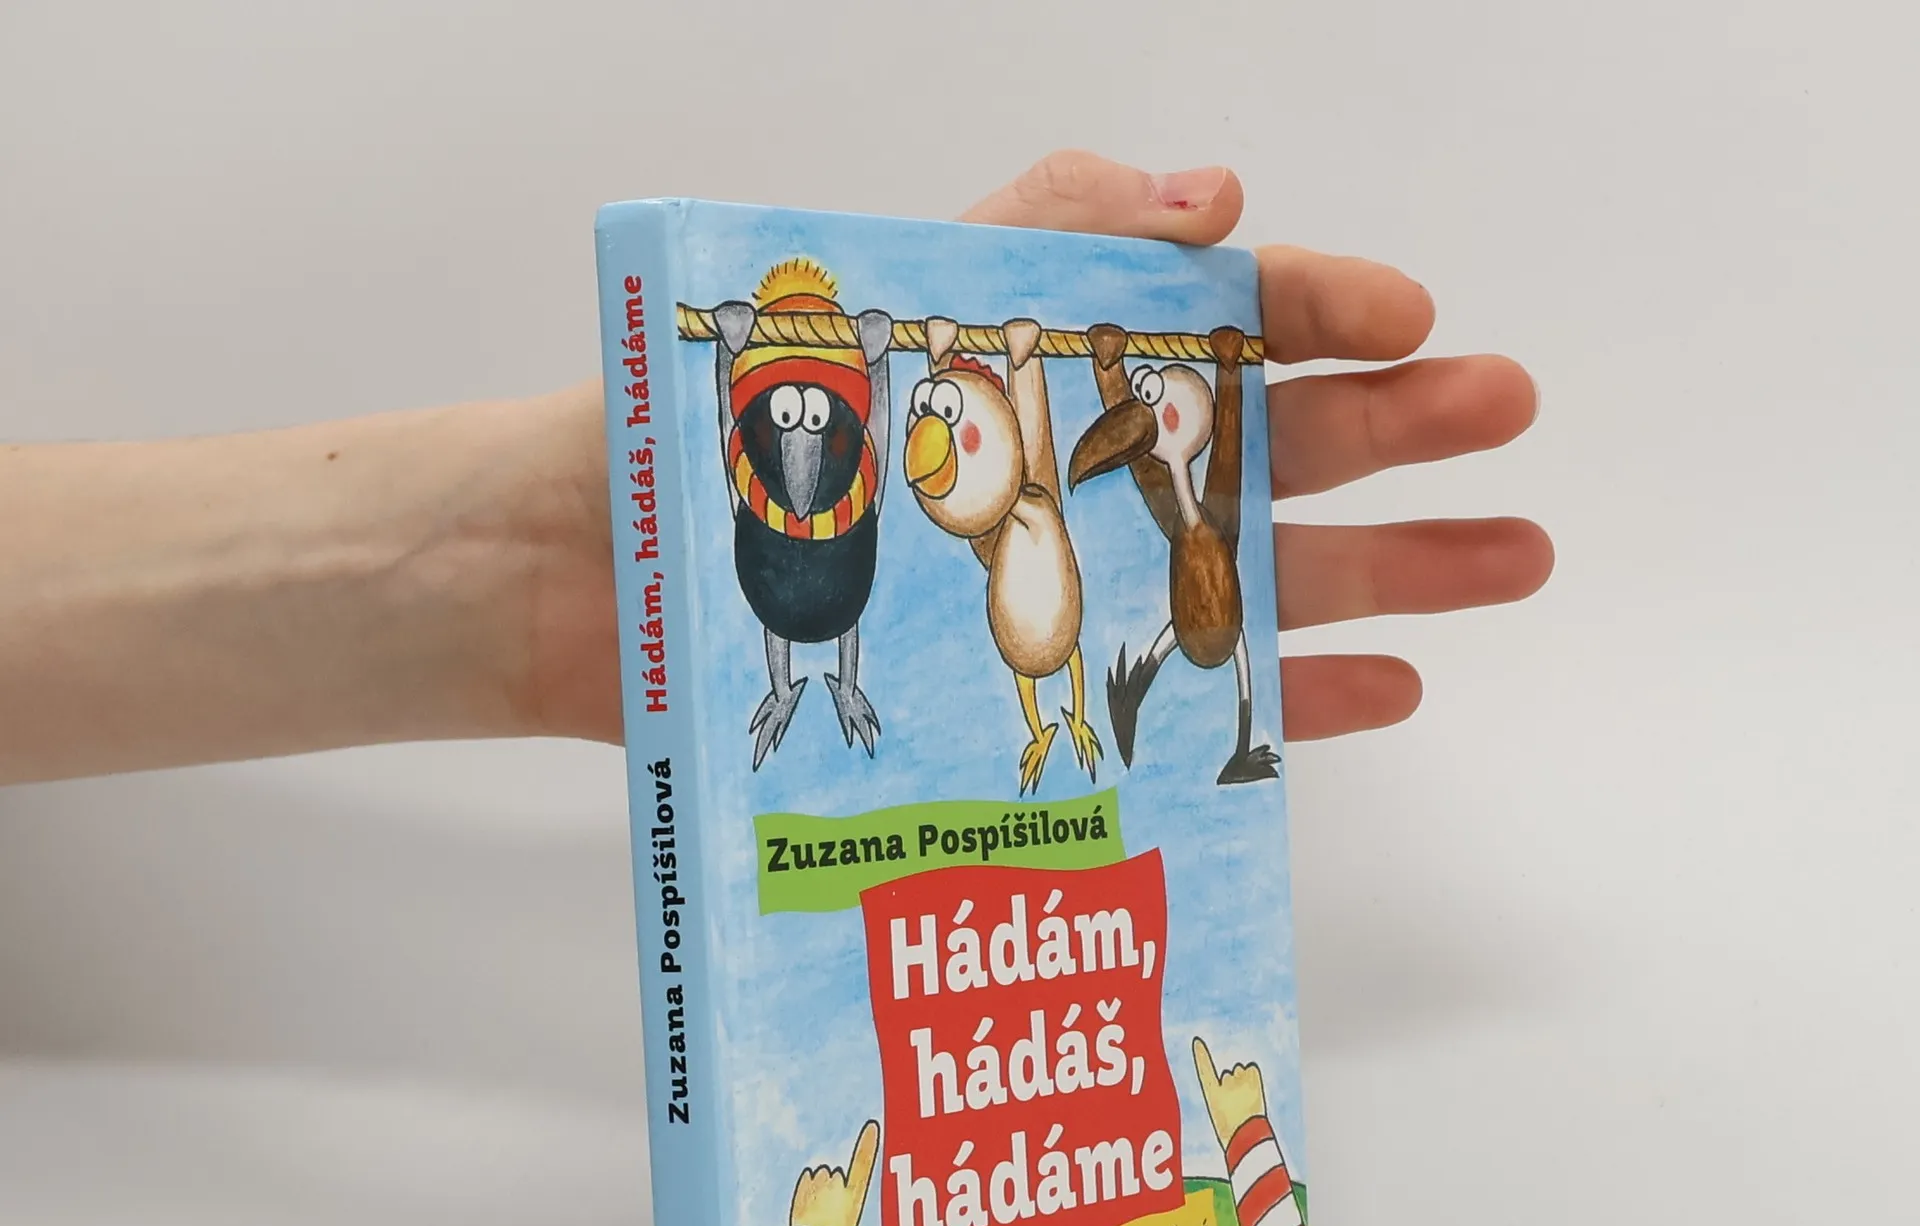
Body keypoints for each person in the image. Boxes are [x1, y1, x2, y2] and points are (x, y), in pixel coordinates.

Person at [0, 153, 1551, 787]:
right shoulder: (843, 468)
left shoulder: (909, 464)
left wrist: (549, 535)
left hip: (878, 575)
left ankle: (951, 688)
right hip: (833, 566)